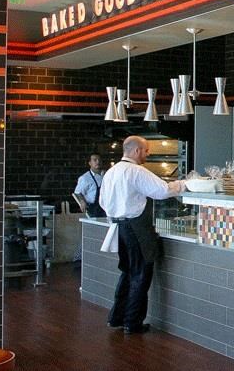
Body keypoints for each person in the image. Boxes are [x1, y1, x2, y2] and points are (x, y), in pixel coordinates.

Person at [100, 136, 185, 334]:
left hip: (118, 227)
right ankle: (132, 323)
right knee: (140, 274)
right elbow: (162, 191)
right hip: (136, 228)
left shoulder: (111, 172)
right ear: (137, 150)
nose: (148, 154)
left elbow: (103, 202)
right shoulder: (136, 171)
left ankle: (117, 317)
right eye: (146, 151)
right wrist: (184, 184)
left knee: (127, 272)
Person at [73, 153, 105, 217]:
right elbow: (77, 192)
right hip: (93, 209)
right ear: (90, 163)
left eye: (99, 160)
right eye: (95, 160)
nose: (98, 162)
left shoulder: (106, 175)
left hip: (105, 208)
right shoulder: (85, 178)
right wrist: (82, 201)